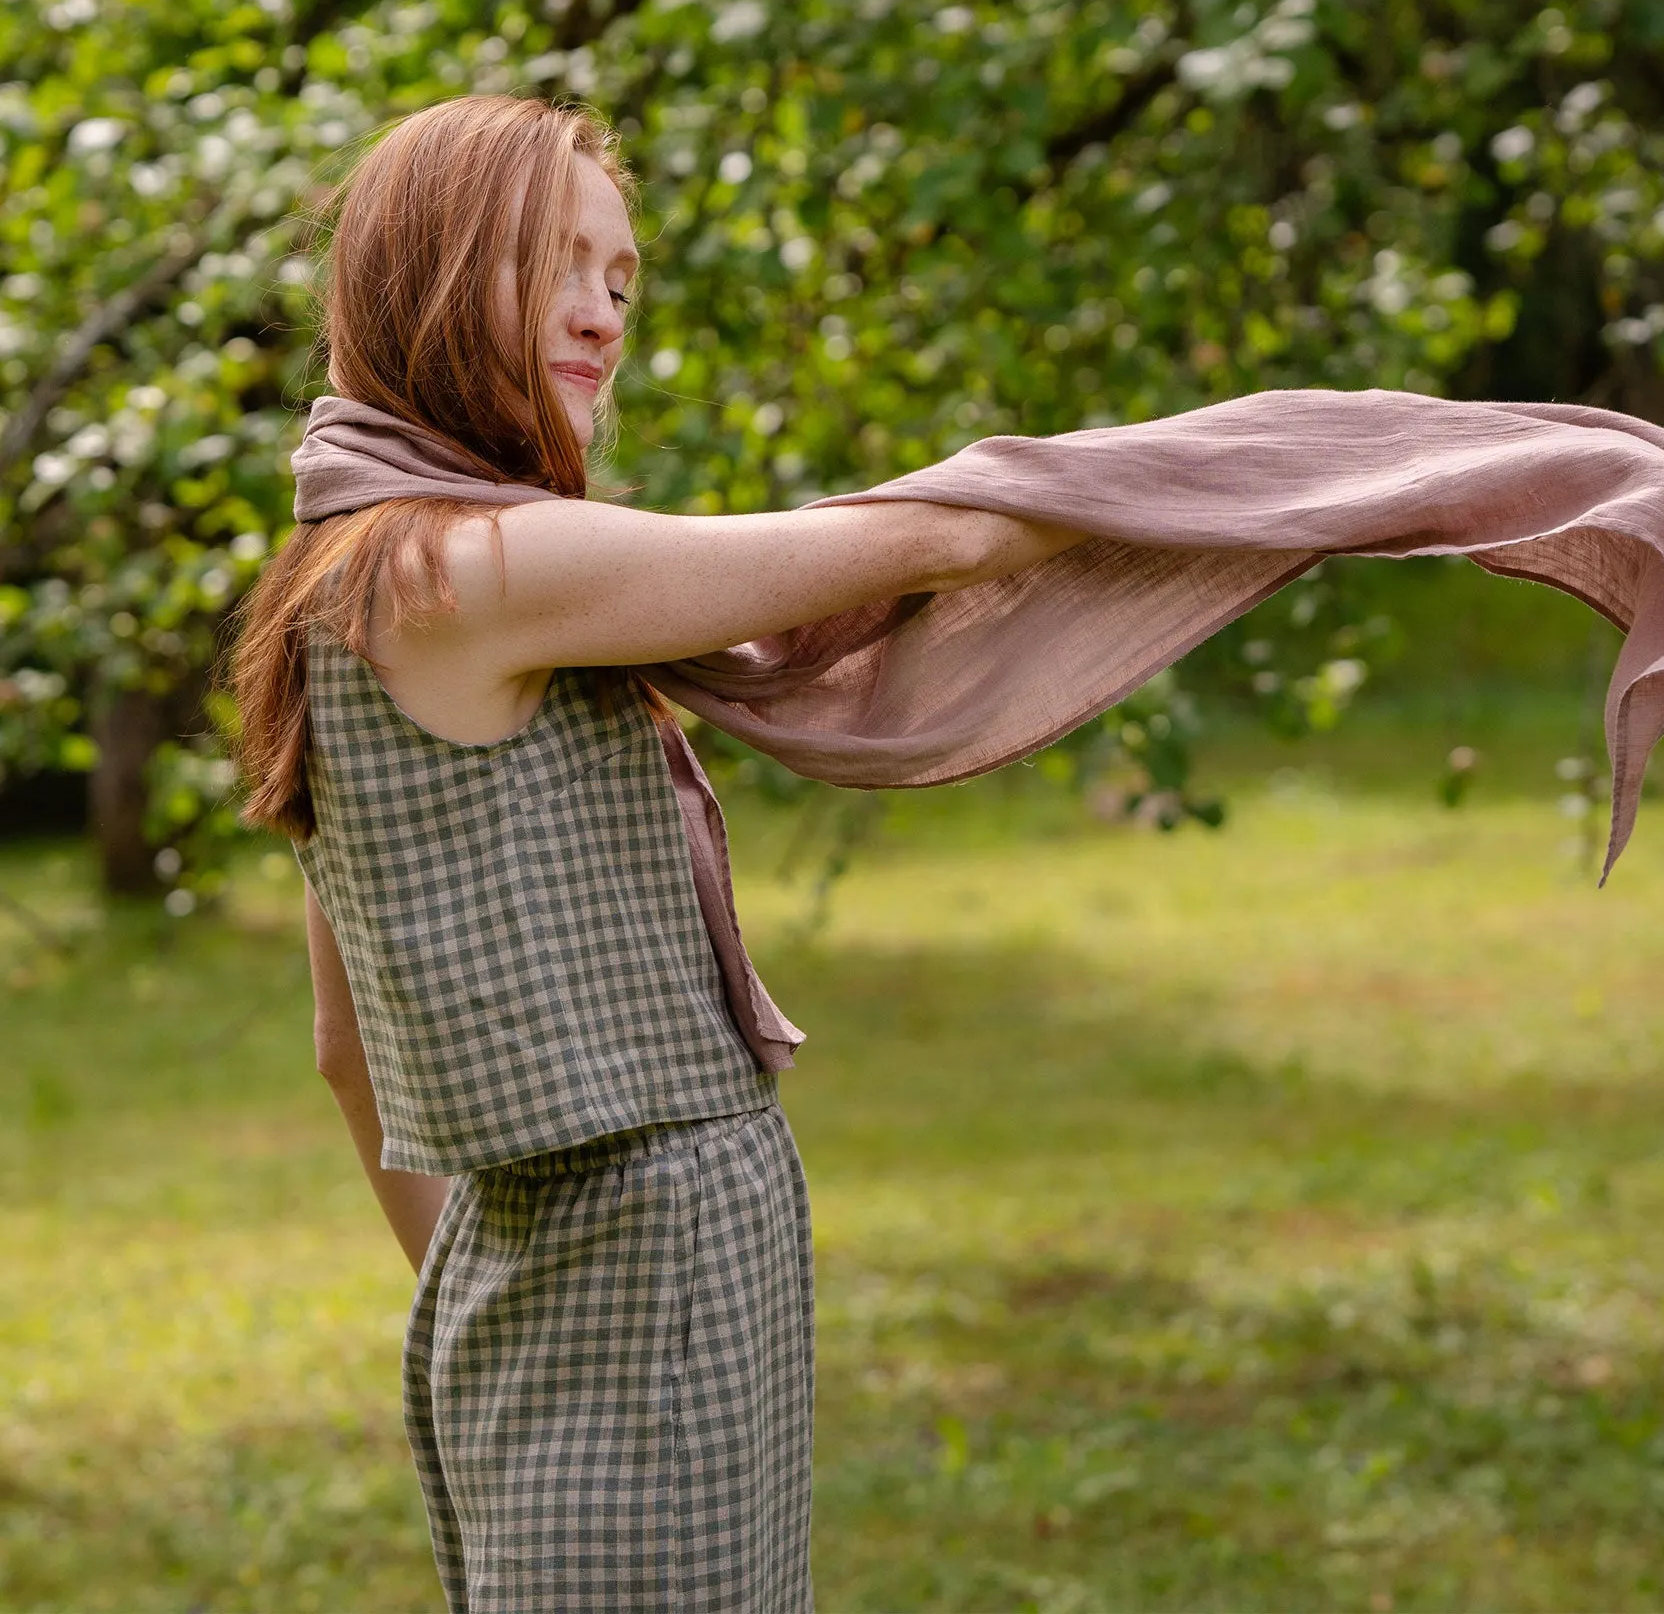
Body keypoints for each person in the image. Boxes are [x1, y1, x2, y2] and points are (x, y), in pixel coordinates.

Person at [227, 94, 1083, 1612]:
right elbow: (928, 538)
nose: (600, 313)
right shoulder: (472, 566)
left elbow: (342, 1047)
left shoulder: (347, 573)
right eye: (555, 263)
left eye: (622, 281)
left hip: (530, 1259)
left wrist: (485, 1287)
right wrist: (1310, 473)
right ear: (424, 271)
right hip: (650, 1251)